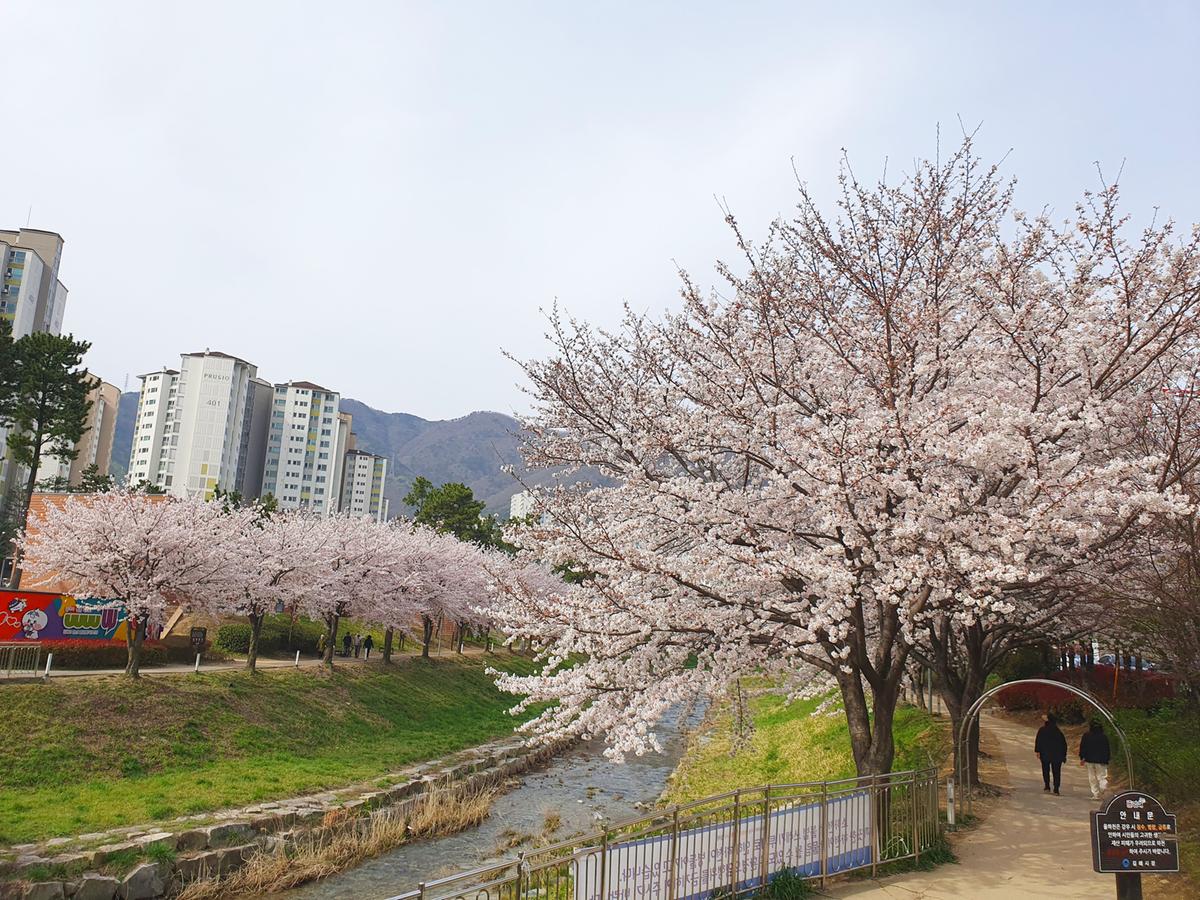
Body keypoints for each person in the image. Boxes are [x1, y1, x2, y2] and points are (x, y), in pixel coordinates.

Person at [1034, 713, 1068, 794]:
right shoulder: (1058, 732)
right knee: (1056, 772)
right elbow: (1064, 745)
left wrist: (1038, 751)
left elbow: (1038, 741)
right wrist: (1064, 755)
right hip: (1057, 755)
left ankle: (1047, 785)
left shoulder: (1042, 730)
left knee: (1045, 770)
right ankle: (1056, 788)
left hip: (1045, 754)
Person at [1079, 719, 1111, 800]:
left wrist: (1082, 757)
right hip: (1101, 760)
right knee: (1102, 776)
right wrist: (1107, 759)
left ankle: (1095, 794)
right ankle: (1103, 787)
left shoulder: (1086, 735)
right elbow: (1107, 749)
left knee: (1092, 777)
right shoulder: (1103, 737)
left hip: (1089, 759)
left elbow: (1083, 747)